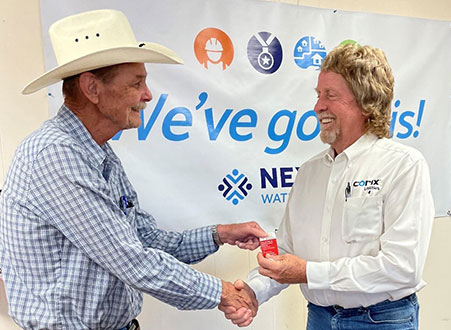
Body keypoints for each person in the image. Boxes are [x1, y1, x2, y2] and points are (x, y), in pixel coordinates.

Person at [0, 9, 263, 330]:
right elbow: (130, 259)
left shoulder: (97, 153)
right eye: (136, 83)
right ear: (92, 88)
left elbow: (145, 239)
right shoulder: (55, 154)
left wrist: (220, 234)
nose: (147, 95)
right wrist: (222, 293)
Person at [222, 44, 435, 329]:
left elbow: (402, 269)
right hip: (319, 317)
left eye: (330, 95)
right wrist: (252, 291)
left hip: (380, 320)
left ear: (365, 101)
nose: (318, 106)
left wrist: (308, 273)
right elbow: (285, 249)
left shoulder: (404, 165)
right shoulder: (309, 173)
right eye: (318, 95)